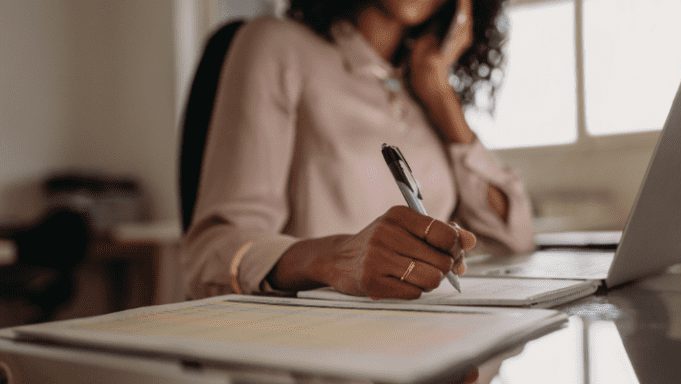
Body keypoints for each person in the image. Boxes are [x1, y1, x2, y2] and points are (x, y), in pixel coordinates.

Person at [182, 0, 535, 300]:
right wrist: (334, 259)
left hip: (424, 335)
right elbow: (210, 256)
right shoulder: (276, 46)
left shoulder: (423, 90)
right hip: (313, 343)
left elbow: (515, 238)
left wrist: (440, 93)